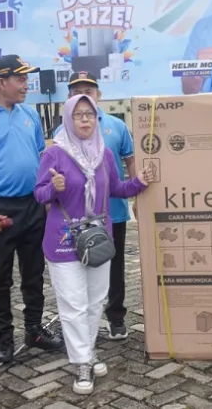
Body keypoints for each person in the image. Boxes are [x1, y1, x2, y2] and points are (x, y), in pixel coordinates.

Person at [35, 94, 152, 395]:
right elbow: (39, 194)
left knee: (95, 300)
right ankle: (82, 363)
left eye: (90, 113)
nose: (85, 119)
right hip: (63, 240)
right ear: (68, 119)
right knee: (73, 304)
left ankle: (86, 352)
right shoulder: (55, 154)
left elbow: (116, 188)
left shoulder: (104, 154)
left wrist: (139, 182)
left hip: (97, 238)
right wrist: (54, 188)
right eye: (79, 114)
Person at [0, 54, 64, 364]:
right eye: (20, 79)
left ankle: (34, 330)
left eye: (26, 79)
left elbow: (42, 159)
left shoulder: (29, 114)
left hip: (32, 205)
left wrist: (47, 200)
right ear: (1, 82)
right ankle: (4, 339)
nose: (26, 85)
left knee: (34, 273)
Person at [55, 71, 137, 340]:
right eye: (76, 91)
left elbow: (130, 160)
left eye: (88, 91)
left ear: (98, 95)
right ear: (69, 97)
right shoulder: (61, 133)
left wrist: (137, 196)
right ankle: (81, 324)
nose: (83, 96)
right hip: (76, 218)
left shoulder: (116, 126)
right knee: (77, 267)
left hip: (113, 211)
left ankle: (116, 317)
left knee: (114, 265)